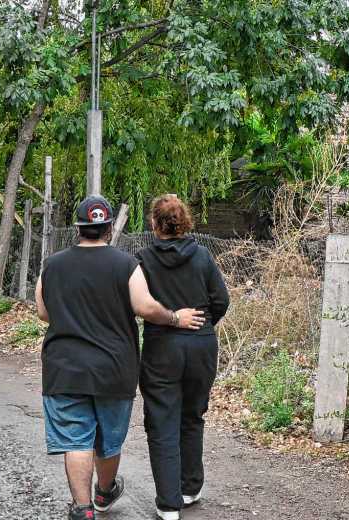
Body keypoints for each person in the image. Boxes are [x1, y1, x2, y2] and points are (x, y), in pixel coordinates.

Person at [35, 195, 206, 520]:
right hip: (114, 370)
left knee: (77, 440)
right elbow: (145, 307)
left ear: (78, 228)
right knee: (108, 440)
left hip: (64, 370)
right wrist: (175, 318)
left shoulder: (52, 265)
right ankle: (104, 492)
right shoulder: (127, 265)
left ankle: (83, 509)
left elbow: (43, 312)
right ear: (110, 228)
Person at [136, 194, 230, 520]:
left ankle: (168, 504)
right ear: (185, 221)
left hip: (161, 346)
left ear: (154, 223)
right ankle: (190, 487)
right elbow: (221, 300)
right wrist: (203, 325)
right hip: (201, 345)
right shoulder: (202, 256)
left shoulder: (142, 260)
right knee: (192, 415)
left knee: (162, 421)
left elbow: (136, 303)